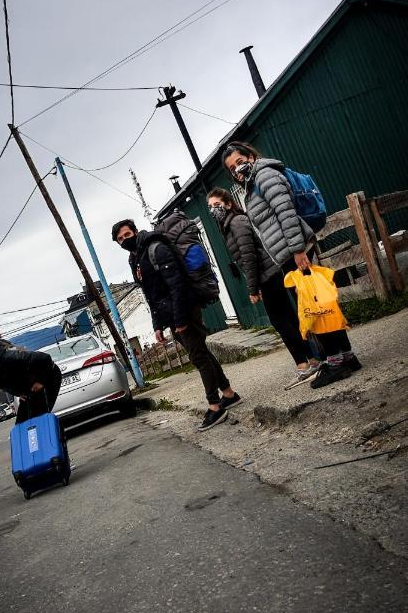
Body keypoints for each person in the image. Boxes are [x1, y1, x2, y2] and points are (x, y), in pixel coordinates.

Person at [222, 142, 361, 388]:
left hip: (295, 253)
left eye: (239, 162)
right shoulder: (254, 184)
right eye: (232, 168)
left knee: (313, 308)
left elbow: (285, 211)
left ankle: (335, 362)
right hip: (290, 253)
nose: (237, 169)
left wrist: (297, 250)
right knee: (321, 304)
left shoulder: (264, 175)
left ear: (251, 157)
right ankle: (346, 356)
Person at [111, 218, 240, 431]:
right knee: (202, 352)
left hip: (185, 309)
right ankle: (228, 394)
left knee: (198, 357)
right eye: (120, 239)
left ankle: (215, 406)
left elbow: (177, 285)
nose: (125, 240)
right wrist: (158, 325)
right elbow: (150, 294)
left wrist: (180, 320)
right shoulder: (135, 259)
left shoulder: (156, 248)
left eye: (127, 235)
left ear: (135, 231)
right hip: (170, 315)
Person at [206, 187, 320, 386]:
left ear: (228, 204)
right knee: (288, 318)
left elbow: (249, 257)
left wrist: (252, 288)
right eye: (210, 207)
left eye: (217, 205)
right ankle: (311, 359)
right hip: (269, 275)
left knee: (282, 321)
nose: (214, 210)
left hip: (268, 276)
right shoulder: (229, 224)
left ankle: (305, 364)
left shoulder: (236, 222)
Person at [0, 325, 62, 424]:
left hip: (48, 375)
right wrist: (18, 393)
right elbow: (1, 384)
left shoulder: (9, 357)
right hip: (27, 388)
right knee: (22, 424)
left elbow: (45, 358)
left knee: (39, 419)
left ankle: (54, 437)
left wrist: (41, 381)